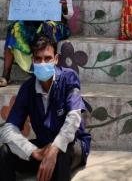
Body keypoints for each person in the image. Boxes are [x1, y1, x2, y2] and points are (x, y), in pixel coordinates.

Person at [0, 35, 91, 181]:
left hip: (72, 145)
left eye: (47, 58)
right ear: (32, 61)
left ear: (56, 59)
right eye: (38, 59)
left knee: (61, 153)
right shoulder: (27, 88)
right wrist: (33, 151)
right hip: (43, 146)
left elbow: (74, 118)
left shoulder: (69, 78)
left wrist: (55, 148)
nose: (43, 63)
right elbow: (8, 129)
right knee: (5, 151)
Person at [1, 0, 74, 87]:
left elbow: (69, 15)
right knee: (15, 27)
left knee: (47, 26)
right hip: (35, 22)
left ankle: (45, 72)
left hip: (57, 24)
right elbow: (27, 7)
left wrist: (64, 7)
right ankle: (5, 75)